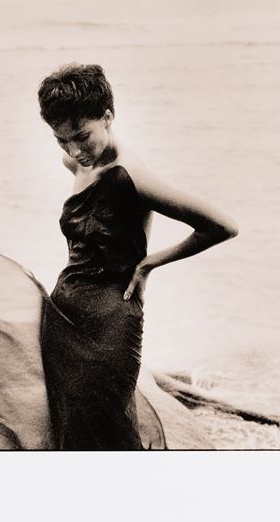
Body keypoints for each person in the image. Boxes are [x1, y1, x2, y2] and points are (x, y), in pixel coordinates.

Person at [37, 62, 238, 450]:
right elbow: (95, 229)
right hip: (65, 314)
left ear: (107, 117)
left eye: (82, 137)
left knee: (106, 432)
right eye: (62, 141)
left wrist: (149, 263)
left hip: (111, 324)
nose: (74, 151)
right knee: (70, 427)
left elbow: (221, 226)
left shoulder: (131, 175)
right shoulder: (76, 163)